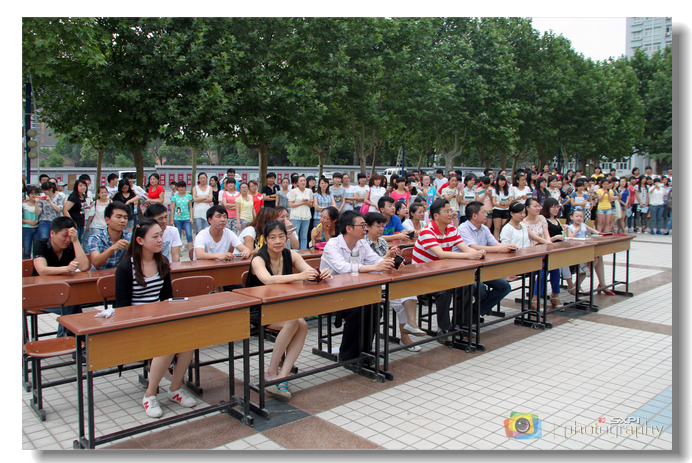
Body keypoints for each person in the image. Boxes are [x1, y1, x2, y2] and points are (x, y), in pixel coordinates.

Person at [114, 219, 197, 418]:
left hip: (159, 320)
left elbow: (167, 298)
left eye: (161, 235)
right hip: (136, 324)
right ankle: (150, 395)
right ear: (140, 241)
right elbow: (121, 309)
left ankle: (174, 389)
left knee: (190, 340)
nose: (161, 240)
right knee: (167, 344)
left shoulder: (162, 262)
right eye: (155, 236)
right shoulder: (126, 267)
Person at [246, 220, 331, 401]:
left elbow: (310, 272)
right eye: (272, 237)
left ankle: (282, 376)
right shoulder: (258, 259)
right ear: (265, 240)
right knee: (293, 322)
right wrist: (299, 276)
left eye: (281, 236)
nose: (277, 241)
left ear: (286, 237)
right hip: (258, 310)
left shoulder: (290, 254)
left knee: (303, 325)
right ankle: (271, 372)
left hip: (281, 308)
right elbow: (267, 280)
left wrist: (321, 274)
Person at [319, 210, 395, 362]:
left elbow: (376, 260)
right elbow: (343, 268)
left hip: (355, 290)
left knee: (375, 309)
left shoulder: (361, 243)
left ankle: (365, 351)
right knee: (357, 312)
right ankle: (348, 356)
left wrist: (389, 262)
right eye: (362, 225)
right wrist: (375, 267)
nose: (365, 228)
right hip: (333, 292)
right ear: (349, 228)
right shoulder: (333, 245)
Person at [412, 199, 484, 338]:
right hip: (422, 275)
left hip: (442, 273)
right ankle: (443, 329)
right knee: (444, 290)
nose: (451, 214)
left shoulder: (452, 230)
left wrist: (477, 253)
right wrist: (469, 256)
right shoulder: (427, 231)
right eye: (447, 211)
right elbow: (441, 254)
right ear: (436, 215)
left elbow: (465, 248)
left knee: (466, 285)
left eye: (451, 210)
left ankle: (460, 326)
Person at [363, 212, 424, 351]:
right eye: (378, 226)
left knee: (408, 293)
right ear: (368, 227)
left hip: (388, 278)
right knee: (402, 296)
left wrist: (395, 261)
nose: (381, 229)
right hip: (373, 282)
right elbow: (372, 264)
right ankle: (408, 330)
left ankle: (410, 327)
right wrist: (387, 256)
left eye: (382, 226)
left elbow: (387, 263)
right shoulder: (363, 243)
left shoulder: (383, 241)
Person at [32, 217, 90, 336]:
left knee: (73, 304)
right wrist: (66, 269)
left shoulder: (71, 246)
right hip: (39, 294)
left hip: (62, 293)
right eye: (64, 236)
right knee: (72, 305)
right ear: (52, 233)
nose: (67, 240)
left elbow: (84, 266)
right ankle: (68, 340)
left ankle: (70, 341)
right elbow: (42, 270)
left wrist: (76, 241)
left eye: (70, 236)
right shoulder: (41, 244)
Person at [457, 201, 516, 316]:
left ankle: (475, 311)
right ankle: (478, 310)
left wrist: (508, 247)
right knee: (480, 287)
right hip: (465, 271)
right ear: (475, 215)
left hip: (481, 269)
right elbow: (473, 247)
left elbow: (495, 244)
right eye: (484, 212)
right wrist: (500, 248)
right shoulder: (463, 228)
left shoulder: (484, 228)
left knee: (505, 287)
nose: (487, 215)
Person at [566, 209, 614, 296]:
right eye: (577, 216)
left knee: (597, 256)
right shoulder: (571, 227)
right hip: (575, 250)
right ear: (571, 217)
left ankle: (590, 280)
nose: (579, 218)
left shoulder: (583, 225)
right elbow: (570, 238)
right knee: (594, 260)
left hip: (585, 248)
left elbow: (593, 230)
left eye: (581, 217)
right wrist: (576, 230)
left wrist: (601, 234)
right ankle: (580, 280)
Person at [541, 198, 576, 302]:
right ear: (547, 208)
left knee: (564, 261)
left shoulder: (557, 220)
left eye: (558, 207)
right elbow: (542, 239)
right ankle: (569, 286)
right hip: (549, 250)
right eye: (553, 207)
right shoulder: (544, 221)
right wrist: (556, 238)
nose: (556, 209)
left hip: (559, 249)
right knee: (560, 263)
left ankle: (559, 292)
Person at [88, 201, 132, 270]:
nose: (123, 221)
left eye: (125, 218)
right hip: (99, 275)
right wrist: (112, 248)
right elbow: (96, 262)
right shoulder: (96, 238)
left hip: (121, 275)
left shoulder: (130, 236)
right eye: (118, 217)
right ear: (107, 220)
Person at [287, 175, 313, 249]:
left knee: (304, 236)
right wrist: (302, 202)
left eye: (304, 180)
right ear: (297, 183)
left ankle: (303, 251)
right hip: (296, 216)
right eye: (301, 181)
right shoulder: (293, 191)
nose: (303, 182)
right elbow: (291, 204)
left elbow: (311, 204)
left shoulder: (309, 191)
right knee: (295, 235)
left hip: (306, 216)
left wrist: (307, 202)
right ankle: (295, 250)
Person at [170, 181, 194, 256]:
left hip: (187, 218)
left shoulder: (189, 196)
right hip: (177, 218)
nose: (181, 188)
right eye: (179, 187)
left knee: (189, 234)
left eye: (182, 187)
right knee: (178, 235)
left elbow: (190, 208)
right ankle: (178, 251)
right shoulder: (174, 197)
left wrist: (191, 218)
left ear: (185, 187)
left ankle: (191, 251)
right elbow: (173, 209)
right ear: (177, 188)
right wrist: (171, 219)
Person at [22, 185, 41, 259]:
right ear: (28, 194)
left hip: (37, 228)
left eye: (35, 193)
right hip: (26, 229)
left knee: (36, 250)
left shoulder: (39, 204)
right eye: (32, 193)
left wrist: (36, 203)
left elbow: (37, 213)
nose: (34, 195)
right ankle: (26, 265)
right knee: (26, 250)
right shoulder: (23, 205)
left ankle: (35, 264)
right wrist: (27, 221)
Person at [491, 175, 511, 241]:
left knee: (504, 226)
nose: (503, 182)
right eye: (501, 180)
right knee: (497, 228)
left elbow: (510, 201)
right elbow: (494, 202)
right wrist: (502, 205)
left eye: (504, 180)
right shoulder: (494, 190)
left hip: (506, 210)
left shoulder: (508, 190)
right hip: (497, 210)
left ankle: (503, 240)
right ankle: (496, 241)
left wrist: (505, 204)